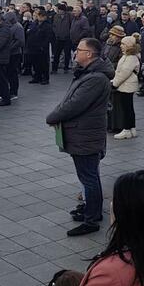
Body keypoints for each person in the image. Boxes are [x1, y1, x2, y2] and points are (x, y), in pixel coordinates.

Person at [45, 37, 114, 236]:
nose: (76, 52)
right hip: (84, 132)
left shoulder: (95, 78)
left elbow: (75, 104)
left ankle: (92, 220)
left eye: (79, 49)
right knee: (88, 175)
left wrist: (52, 117)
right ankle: (90, 209)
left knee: (89, 177)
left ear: (89, 54)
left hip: (86, 134)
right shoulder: (89, 74)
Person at [110, 35, 140, 140]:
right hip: (127, 84)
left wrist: (114, 83)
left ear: (128, 45)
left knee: (126, 108)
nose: (121, 46)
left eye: (123, 44)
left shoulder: (130, 57)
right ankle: (131, 128)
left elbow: (124, 72)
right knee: (129, 108)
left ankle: (127, 129)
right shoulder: (128, 55)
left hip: (126, 85)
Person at [26, 8, 54, 85]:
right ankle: (37, 77)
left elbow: (48, 37)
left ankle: (45, 78)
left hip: (42, 48)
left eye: (41, 16)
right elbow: (30, 31)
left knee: (44, 64)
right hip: (33, 47)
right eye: (38, 16)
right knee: (35, 63)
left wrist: (43, 46)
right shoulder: (35, 23)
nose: (39, 18)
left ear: (45, 17)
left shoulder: (47, 25)